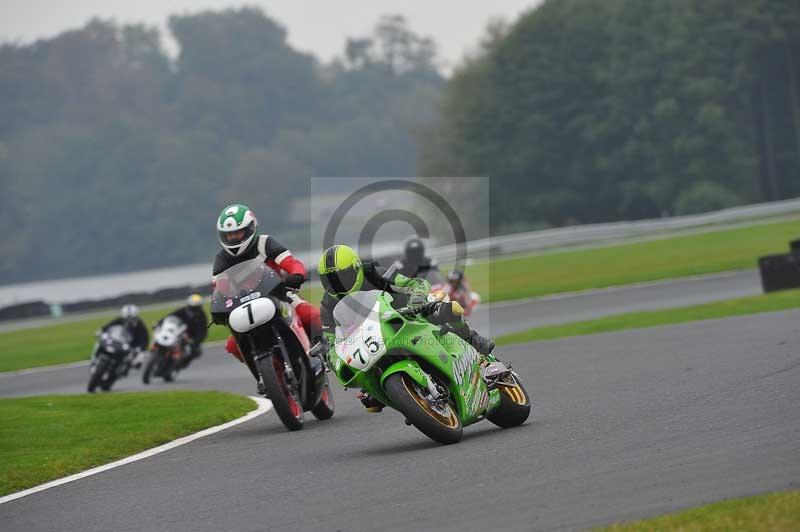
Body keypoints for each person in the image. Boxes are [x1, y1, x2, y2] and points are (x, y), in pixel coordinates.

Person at [315, 244, 495, 412]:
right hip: (371, 338)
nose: (337, 284)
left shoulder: (374, 273)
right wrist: (331, 354)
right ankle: (401, 394)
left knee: (446, 305)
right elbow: (330, 338)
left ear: (356, 269)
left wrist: (417, 297)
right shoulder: (328, 304)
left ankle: (470, 337)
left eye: (342, 276)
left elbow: (416, 284)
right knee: (370, 400)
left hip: (406, 313)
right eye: (330, 280)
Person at [212, 203, 322, 391]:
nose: (233, 238)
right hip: (244, 305)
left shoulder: (265, 243)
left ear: (250, 228)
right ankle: (264, 375)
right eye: (229, 235)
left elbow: (290, 262)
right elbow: (220, 288)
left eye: (238, 233)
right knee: (232, 345)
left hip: (279, 295)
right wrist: (218, 308)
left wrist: (296, 274)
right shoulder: (222, 259)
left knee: (310, 314)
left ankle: (322, 351)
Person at [156, 294, 208, 369]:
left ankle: (182, 364)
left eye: (196, 308)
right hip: (178, 331)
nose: (194, 310)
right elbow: (171, 316)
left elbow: (203, 331)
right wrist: (159, 323)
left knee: (195, 351)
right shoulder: (183, 310)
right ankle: (160, 354)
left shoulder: (202, 316)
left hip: (191, 336)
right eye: (192, 307)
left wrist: (196, 341)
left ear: (200, 307)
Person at [94, 304, 149, 368]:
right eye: (127, 317)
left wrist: (141, 348)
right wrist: (101, 330)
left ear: (135, 316)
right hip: (120, 340)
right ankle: (96, 357)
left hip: (133, 345)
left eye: (131, 317)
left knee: (136, 362)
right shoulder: (120, 320)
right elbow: (110, 325)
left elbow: (144, 336)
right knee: (101, 342)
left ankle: (123, 368)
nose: (129, 319)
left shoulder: (139, 324)